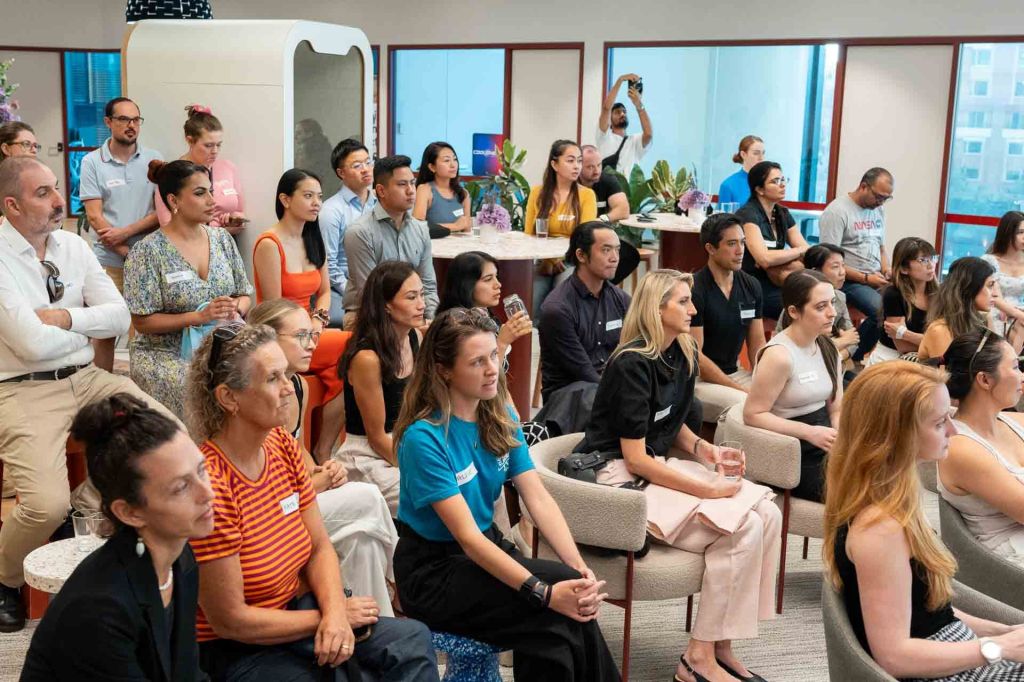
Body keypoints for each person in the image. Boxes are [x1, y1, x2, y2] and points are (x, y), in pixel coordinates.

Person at [185, 323, 438, 681]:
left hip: (297, 612)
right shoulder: (210, 483)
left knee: (410, 640)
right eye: (273, 379)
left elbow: (319, 546)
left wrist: (335, 612)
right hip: (241, 648)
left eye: (286, 374)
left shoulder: (281, 445)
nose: (290, 388)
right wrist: (327, 619)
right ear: (229, 398)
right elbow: (231, 621)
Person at [393, 307, 620, 682]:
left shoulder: (497, 414)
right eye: (477, 361)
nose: (492, 369)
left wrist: (579, 565)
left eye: (494, 356)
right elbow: (466, 538)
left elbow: (537, 497)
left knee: (567, 607)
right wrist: (543, 593)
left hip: (486, 548)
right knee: (555, 613)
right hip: (433, 572)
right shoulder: (424, 438)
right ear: (444, 370)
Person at [0, 157, 178, 632]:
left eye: (57, 188)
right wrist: (86, 327)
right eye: (43, 193)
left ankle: (88, 500)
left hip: (87, 377)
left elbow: (120, 318)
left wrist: (64, 320)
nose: (60, 200)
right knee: (43, 505)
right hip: (23, 389)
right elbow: (29, 346)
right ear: (11, 205)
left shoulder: (73, 246)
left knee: (170, 434)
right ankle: (5, 576)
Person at [576, 269, 779, 682]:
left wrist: (707, 451)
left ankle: (720, 647)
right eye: (683, 302)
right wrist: (708, 486)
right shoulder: (631, 363)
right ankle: (696, 659)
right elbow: (635, 458)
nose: (694, 308)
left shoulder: (682, 351)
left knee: (768, 516)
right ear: (657, 308)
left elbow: (671, 424)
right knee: (742, 527)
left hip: (655, 468)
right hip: (619, 480)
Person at [823, 360, 1024, 681]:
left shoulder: (889, 500)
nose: (954, 430)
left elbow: (926, 610)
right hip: (940, 668)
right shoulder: (880, 527)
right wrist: (998, 647)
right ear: (896, 435)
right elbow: (894, 656)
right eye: (939, 422)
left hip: (953, 650)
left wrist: (1006, 633)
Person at [20, 394, 214, 681]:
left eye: (201, 470)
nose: (207, 493)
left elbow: (187, 673)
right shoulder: (100, 610)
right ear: (130, 512)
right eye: (180, 487)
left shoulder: (180, 556)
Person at [248, 299, 399, 615]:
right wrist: (317, 484)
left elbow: (298, 452)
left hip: (295, 501)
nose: (312, 344)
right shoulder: (252, 399)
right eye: (301, 336)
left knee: (365, 542)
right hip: (268, 516)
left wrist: (323, 469)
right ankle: (404, 589)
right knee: (369, 497)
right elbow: (264, 494)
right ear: (269, 339)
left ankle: (378, 630)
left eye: (312, 335)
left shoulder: (297, 387)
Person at [124, 160, 252, 419]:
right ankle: (197, 456)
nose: (212, 201)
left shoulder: (222, 239)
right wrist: (198, 318)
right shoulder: (147, 251)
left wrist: (234, 308)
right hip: (165, 354)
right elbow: (142, 322)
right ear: (174, 201)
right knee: (196, 386)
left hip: (220, 346)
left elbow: (244, 294)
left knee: (261, 375)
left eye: (211, 191)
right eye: (200, 193)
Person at [254, 168, 347, 462]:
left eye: (319, 197)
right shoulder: (269, 243)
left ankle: (323, 446)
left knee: (355, 356)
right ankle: (314, 450)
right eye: (308, 196)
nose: (317, 203)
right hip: (280, 332)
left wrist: (317, 321)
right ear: (285, 199)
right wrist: (307, 327)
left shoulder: (312, 237)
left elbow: (325, 292)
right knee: (355, 347)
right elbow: (272, 307)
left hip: (310, 328)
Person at [744, 269, 843, 503]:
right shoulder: (779, 356)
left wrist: (840, 437)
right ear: (793, 312)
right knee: (856, 495)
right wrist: (810, 433)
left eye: (832, 303)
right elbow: (752, 414)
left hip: (824, 438)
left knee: (882, 480)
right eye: (821, 307)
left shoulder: (828, 348)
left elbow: (836, 408)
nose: (832, 313)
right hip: (789, 451)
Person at [79, 97, 162, 370]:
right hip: (108, 261)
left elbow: (159, 212)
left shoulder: (153, 160)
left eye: (136, 120)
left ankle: (140, 392)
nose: (131, 126)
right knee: (105, 330)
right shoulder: (93, 162)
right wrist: (122, 249)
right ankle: (101, 387)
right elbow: (94, 215)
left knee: (144, 331)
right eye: (124, 119)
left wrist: (128, 237)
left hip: (145, 260)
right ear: (108, 122)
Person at [336, 261, 424, 515]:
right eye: (411, 297)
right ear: (386, 304)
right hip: (367, 453)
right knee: (436, 493)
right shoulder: (367, 358)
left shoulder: (414, 337)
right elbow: (376, 437)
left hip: (404, 443)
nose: (421, 304)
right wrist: (420, 466)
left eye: (421, 294)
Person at [536, 222, 629, 436]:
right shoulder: (558, 309)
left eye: (617, 250)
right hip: (570, 399)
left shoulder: (620, 299)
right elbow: (585, 373)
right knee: (600, 394)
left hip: (607, 385)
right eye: (606, 250)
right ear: (581, 255)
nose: (614, 257)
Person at [941, 330, 1024, 566]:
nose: (1021, 376)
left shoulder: (1011, 421)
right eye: (1015, 367)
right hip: (1009, 569)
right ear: (985, 380)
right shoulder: (960, 448)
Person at [343, 154, 438, 325]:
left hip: (412, 316)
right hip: (369, 318)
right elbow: (370, 294)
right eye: (402, 184)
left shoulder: (420, 229)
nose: (410, 190)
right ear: (381, 191)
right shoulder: (359, 232)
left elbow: (428, 285)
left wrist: (430, 321)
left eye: (412, 183)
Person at [691, 213, 767, 422]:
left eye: (742, 242)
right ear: (711, 248)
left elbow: (757, 344)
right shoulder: (695, 289)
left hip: (736, 373)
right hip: (701, 381)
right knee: (747, 406)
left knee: (783, 398)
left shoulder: (751, 285)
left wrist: (765, 379)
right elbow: (696, 358)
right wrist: (741, 388)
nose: (740, 250)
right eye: (732, 244)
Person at [819, 167, 895, 361]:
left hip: (874, 276)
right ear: (863, 187)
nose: (881, 202)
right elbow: (828, 260)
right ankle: (853, 357)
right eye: (879, 197)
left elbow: (881, 246)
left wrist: (886, 269)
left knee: (904, 302)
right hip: (850, 280)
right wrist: (866, 278)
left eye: (886, 198)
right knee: (882, 311)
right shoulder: (837, 212)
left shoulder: (878, 210)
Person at [524, 140, 598, 311]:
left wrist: (557, 259)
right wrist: (549, 260)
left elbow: (584, 237)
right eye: (570, 160)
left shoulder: (587, 195)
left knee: (557, 301)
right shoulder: (537, 193)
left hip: (573, 261)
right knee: (530, 301)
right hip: (543, 262)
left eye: (579, 161)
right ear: (554, 164)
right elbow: (529, 235)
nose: (577, 166)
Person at [154, 104, 247, 234]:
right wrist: (219, 231)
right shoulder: (171, 175)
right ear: (190, 141)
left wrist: (235, 220)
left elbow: (240, 212)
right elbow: (167, 226)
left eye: (219, 145)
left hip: (225, 246)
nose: (215, 151)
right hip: (189, 248)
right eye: (208, 145)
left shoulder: (228, 167)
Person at [737, 161, 809, 320]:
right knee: (804, 310)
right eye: (775, 181)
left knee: (820, 300)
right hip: (753, 283)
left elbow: (807, 251)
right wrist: (795, 252)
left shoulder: (782, 213)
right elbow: (764, 259)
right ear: (759, 189)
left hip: (779, 279)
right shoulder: (748, 215)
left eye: (783, 180)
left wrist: (786, 255)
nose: (782, 185)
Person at [918, 256, 1024, 362]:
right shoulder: (940, 330)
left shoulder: (984, 320)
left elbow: (993, 363)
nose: (995, 294)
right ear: (969, 288)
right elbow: (948, 376)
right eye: (990, 285)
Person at [319, 138, 377, 327]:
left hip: (379, 285)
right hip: (343, 288)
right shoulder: (331, 210)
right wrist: (359, 295)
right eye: (357, 165)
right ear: (341, 173)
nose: (366, 169)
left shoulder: (380, 203)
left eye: (368, 162)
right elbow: (330, 265)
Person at [436, 250, 533, 363]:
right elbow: (486, 377)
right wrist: (502, 343)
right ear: (467, 284)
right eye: (488, 279)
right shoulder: (457, 326)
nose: (498, 284)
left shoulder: (483, 314)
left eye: (496, 277)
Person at [867, 237, 938, 365]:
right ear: (904, 269)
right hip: (890, 358)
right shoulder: (893, 294)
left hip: (924, 359)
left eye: (933, 258)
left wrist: (905, 333)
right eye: (923, 260)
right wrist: (934, 345)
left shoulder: (938, 293)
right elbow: (903, 347)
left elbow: (946, 342)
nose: (930, 265)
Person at [793, 243, 860, 368]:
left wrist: (837, 357)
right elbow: (801, 350)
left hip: (833, 365)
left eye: (843, 266)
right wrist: (841, 341)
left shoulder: (840, 297)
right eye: (835, 267)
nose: (842, 272)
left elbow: (854, 340)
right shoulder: (798, 301)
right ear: (815, 271)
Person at [596, 72, 652, 175]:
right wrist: (620, 80)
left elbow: (648, 134)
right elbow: (606, 108)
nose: (622, 114)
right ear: (610, 120)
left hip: (629, 190)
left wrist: (638, 104)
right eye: (617, 112)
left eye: (624, 111)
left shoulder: (634, 141)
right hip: (608, 190)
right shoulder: (604, 136)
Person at [413, 141, 472, 238]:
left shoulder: (463, 193)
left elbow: (466, 229)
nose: (453, 165)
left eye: (455, 159)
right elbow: (417, 228)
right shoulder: (425, 190)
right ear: (432, 167)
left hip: (460, 247)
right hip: (434, 249)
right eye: (446, 160)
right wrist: (455, 226)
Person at [983, 210, 1024, 337]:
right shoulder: (989, 261)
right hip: (996, 313)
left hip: (1020, 312)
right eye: (1021, 232)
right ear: (1007, 233)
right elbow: (993, 297)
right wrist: (1018, 314)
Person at [579, 145, 630, 223]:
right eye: (590, 167)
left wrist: (603, 219)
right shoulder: (570, 182)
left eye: (599, 165)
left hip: (600, 227)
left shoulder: (607, 180)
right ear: (579, 166)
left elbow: (623, 209)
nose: (597, 171)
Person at [717, 135, 764, 206]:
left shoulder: (767, 183)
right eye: (756, 153)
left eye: (763, 153)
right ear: (743, 154)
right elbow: (723, 216)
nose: (761, 158)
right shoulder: (728, 185)